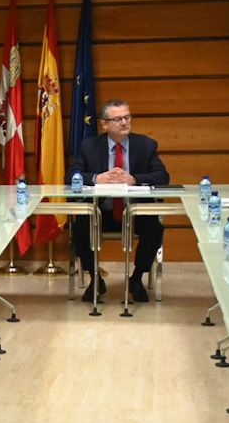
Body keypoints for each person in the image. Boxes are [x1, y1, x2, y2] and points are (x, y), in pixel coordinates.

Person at [71, 98, 170, 304]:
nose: (125, 122)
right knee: (79, 222)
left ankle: (136, 278)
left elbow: (162, 177)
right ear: (104, 124)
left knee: (155, 225)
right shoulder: (89, 146)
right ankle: (95, 278)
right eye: (118, 119)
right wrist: (97, 178)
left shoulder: (145, 145)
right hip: (103, 212)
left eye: (127, 117)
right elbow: (71, 175)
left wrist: (135, 179)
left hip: (134, 212)